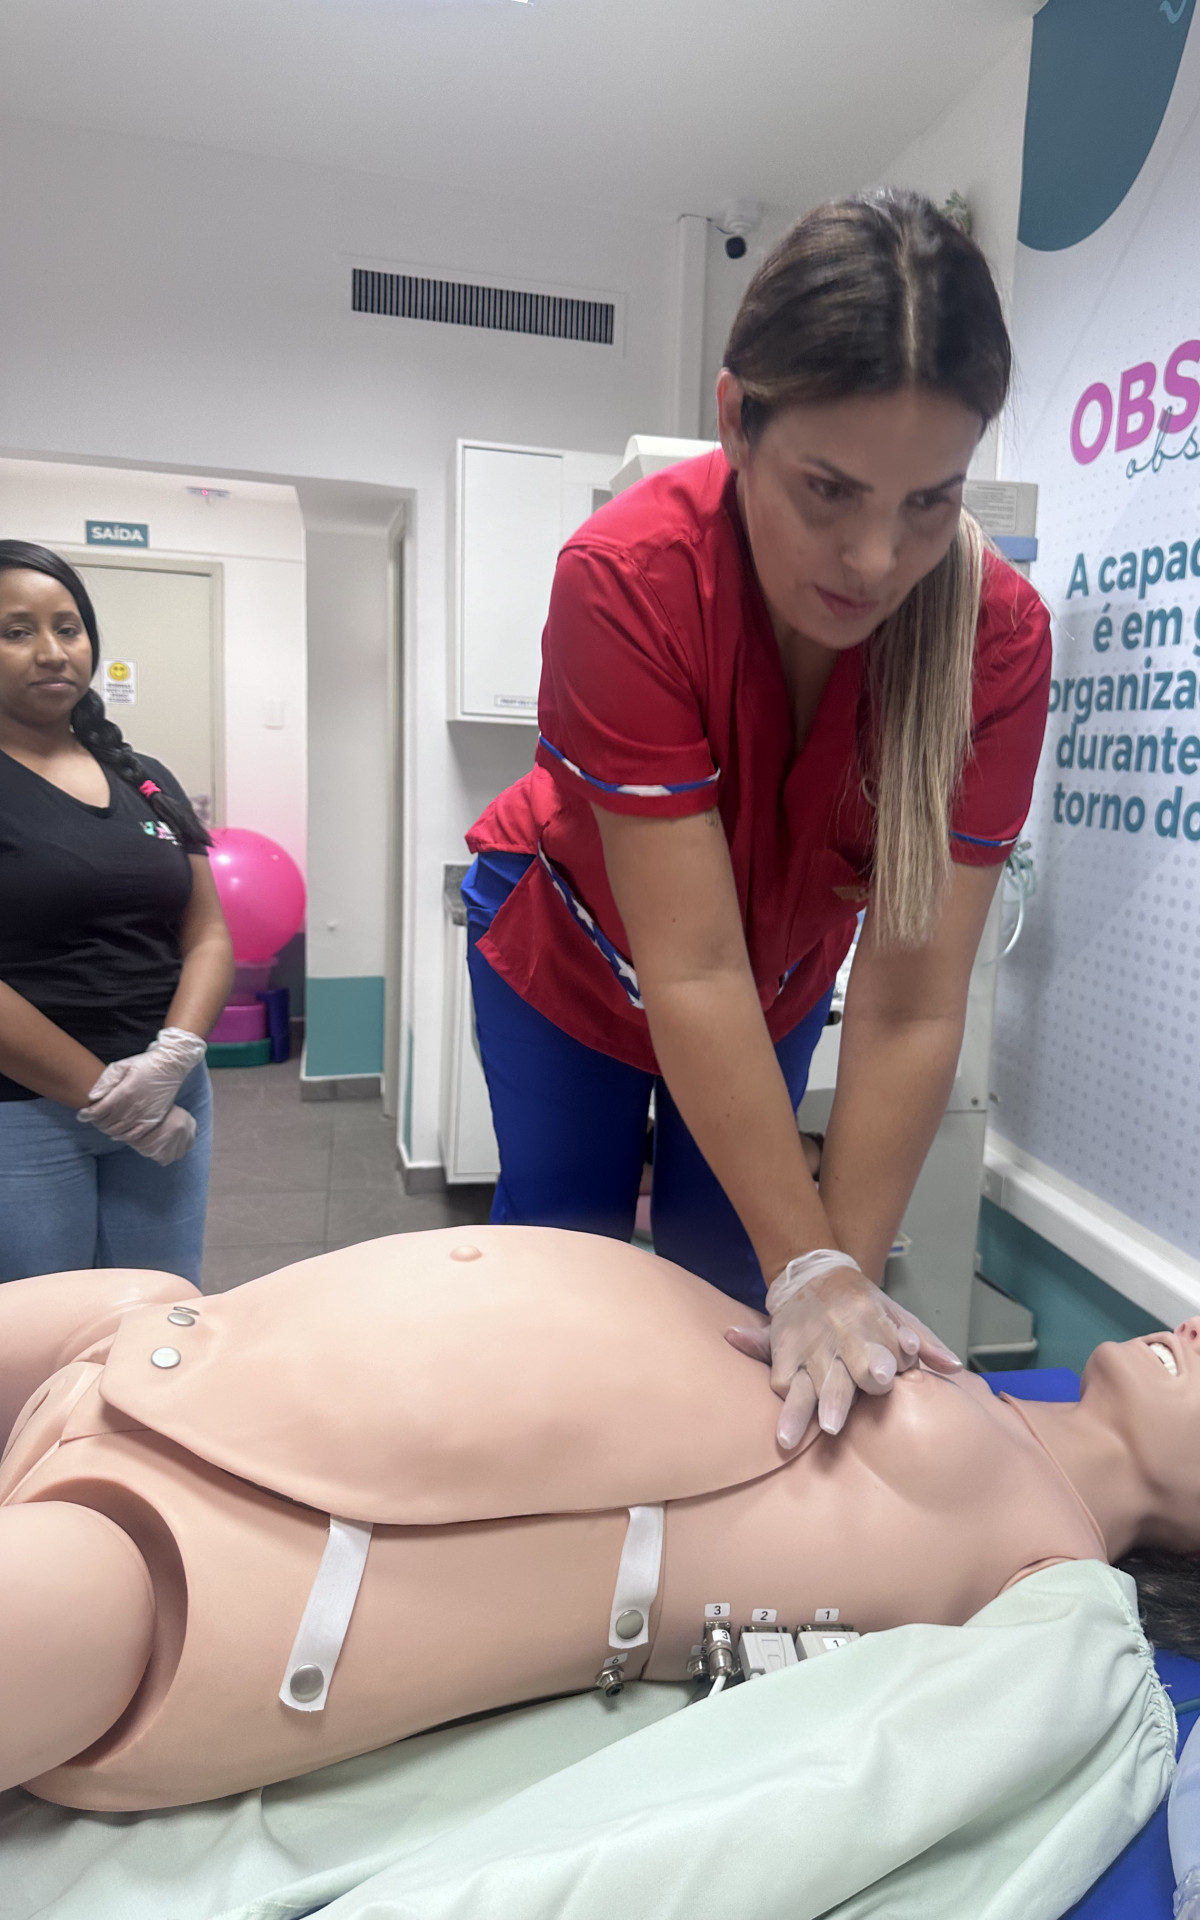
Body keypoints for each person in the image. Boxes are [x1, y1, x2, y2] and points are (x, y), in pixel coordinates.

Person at [462, 189, 1052, 1447]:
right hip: (573, 949)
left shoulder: (996, 639)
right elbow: (689, 959)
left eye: (929, 503)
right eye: (828, 490)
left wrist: (843, 1283)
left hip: (772, 979)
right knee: (567, 1256)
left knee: (735, 1271)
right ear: (734, 419)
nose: (874, 562)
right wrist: (814, 1269)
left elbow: (911, 1000)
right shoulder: (627, 580)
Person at [0, 1224, 1188, 1811]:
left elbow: (906, 1755)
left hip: (231, 1563)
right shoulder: (1000, 1409)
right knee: (138, 1294)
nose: (1189, 1330)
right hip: (169, 1340)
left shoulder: (1055, 1584)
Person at [0, 542, 234, 1286]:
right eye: (16, 631)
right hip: (25, 1112)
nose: (50, 652)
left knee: (161, 1308)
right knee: (47, 1343)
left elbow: (207, 934)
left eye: (68, 628)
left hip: (169, 1094)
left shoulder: (146, 778)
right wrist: (108, 1098)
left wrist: (171, 1060)